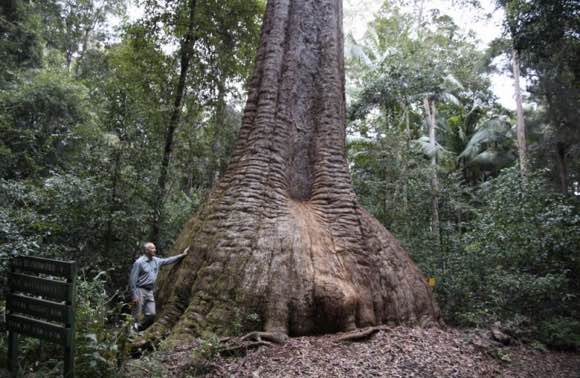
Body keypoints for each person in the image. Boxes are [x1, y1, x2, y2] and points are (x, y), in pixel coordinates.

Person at [129, 242, 189, 332]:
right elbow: (132, 279)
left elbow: (168, 260)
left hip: (150, 291)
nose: (155, 250)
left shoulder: (156, 260)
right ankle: (130, 334)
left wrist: (182, 255)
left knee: (152, 314)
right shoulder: (139, 263)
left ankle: (139, 329)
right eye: (152, 248)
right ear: (146, 251)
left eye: (155, 248)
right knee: (136, 314)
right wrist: (134, 295)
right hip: (140, 290)